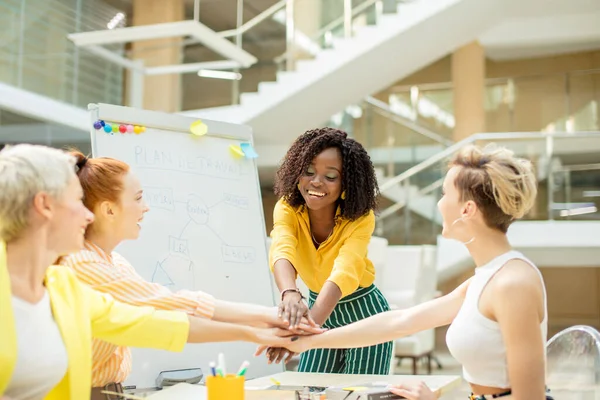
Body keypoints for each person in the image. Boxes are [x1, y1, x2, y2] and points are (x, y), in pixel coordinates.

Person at [0, 144, 306, 400]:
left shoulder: (62, 285)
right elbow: (163, 306)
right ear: (45, 206)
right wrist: (259, 325)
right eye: (78, 202)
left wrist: (253, 330)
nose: (86, 214)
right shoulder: (74, 268)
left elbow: (149, 323)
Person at [275, 144, 549, 400]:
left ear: (467, 210)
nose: (439, 204)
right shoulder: (485, 280)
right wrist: (306, 341)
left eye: (444, 194)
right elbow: (400, 322)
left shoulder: (513, 285)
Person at [266, 127, 393, 375]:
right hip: (316, 306)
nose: (316, 181)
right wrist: (290, 294)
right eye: (308, 172)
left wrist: (303, 330)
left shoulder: (360, 217)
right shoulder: (287, 207)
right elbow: (282, 245)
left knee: (356, 394)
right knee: (310, 389)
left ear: (347, 183)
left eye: (330, 176)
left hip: (364, 314)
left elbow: (345, 270)